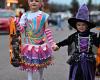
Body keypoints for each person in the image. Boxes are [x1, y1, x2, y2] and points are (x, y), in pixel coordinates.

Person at [53, 4, 100, 80]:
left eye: (83, 25)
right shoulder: (74, 36)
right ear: (76, 26)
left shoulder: (92, 36)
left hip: (89, 61)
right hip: (76, 61)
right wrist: (58, 45)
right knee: (76, 76)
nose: (81, 27)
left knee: (87, 77)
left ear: (87, 26)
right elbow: (66, 41)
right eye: (79, 25)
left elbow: (97, 44)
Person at [14, 0, 56, 80]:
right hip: (29, 45)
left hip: (40, 45)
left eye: (36, 1)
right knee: (29, 63)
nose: (34, 2)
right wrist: (17, 23)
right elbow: (22, 30)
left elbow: (47, 31)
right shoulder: (25, 15)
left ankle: (40, 77)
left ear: (40, 3)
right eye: (31, 0)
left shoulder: (44, 16)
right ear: (28, 3)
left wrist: (52, 43)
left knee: (40, 63)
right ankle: (30, 78)